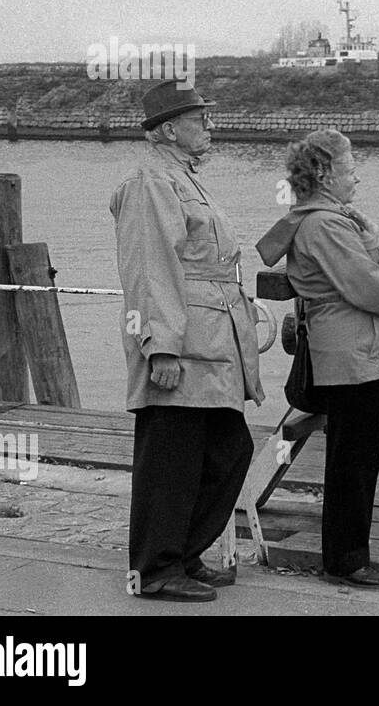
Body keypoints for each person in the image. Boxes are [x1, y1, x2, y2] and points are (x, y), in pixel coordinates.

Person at [256, 129, 379, 587]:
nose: (357, 177)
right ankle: (344, 560)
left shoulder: (331, 218)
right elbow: (364, 283)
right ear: (325, 175)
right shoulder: (325, 225)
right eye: (350, 168)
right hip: (349, 356)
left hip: (373, 352)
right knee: (354, 458)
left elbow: (361, 276)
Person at [111, 81, 264, 602]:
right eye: (200, 118)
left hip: (211, 340)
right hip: (181, 343)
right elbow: (150, 269)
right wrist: (161, 346)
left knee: (226, 449)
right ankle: (155, 569)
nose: (210, 126)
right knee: (171, 457)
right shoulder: (151, 183)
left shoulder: (180, 178)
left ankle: (182, 554)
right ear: (168, 129)